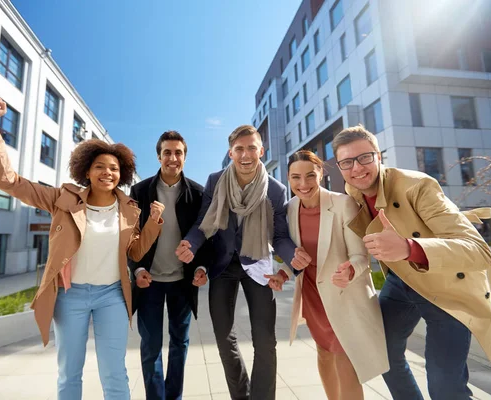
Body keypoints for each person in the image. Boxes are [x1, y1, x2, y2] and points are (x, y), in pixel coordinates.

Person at [0, 97, 164, 400]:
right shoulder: (62, 200)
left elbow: (135, 253)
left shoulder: (130, 210)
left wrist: (154, 223)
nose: (107, 172)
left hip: (112, 296)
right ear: (86, 171)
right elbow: (9, 181)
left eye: (114, 168)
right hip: (70, 295)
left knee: (114, 371)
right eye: (99, 166)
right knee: (69, 372)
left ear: (122, 174)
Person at [331, 125, 491, 400]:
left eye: (365, 157)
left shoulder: (418, 185)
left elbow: (478, 250)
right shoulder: (352, 190)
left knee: (444, 386)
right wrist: (353, 266)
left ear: (379, 156)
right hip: (401, 281)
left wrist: (408, 247)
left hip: (448, 286)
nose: (357, 168)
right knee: (382, 353)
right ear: (339, 166)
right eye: (347, 162)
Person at [175, 125, 309, 400]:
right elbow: (203, 223)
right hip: (222, 266)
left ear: (261, 150)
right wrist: (190, 243)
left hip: (258, 265)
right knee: (224, 340)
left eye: (251, 148)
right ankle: (241, 396)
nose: (246, 154)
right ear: (231, 152)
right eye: (239, 149)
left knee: (265, 342)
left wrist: (293, 253)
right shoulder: (215, 181)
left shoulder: (275, 189)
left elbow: (280, 235)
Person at [264, 150, 388, 400]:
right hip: (312, 294)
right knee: (323, 353)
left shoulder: (343, 204)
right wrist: (282, 274)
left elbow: (361, 257)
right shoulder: (290, 209)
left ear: (321, 173)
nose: (303, 184)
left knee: (344, 359)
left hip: (343, 294)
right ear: (288, 178)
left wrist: (350, 271)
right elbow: (298, 256)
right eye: (296, 177)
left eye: (310, 175)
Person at [128, 130, 209, 400]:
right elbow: (130, 236)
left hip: (181, 283)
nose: (172, 158)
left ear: (185, 157)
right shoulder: (140, 191)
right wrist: (137, 269)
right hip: (148, 282)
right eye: (167, 152)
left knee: (179, 343)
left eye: (178, 153)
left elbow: (205, 236)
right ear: (159, 156)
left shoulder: (198, 193)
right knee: (150, 346)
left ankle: (174, 396)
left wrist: (200, 268)